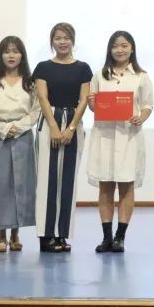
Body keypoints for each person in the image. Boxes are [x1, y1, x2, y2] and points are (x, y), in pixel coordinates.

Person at [87, 30, 153, 254]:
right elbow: (94, 106)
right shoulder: (99, 75)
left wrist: (141, 117)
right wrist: (92, 103)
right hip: (104, 136)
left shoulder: (141, 76)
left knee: (126, 186)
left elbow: (147, 105)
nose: (120, 50)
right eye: (115, 46)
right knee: (105, 187)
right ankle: (106, 237)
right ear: (110, 49)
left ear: (132, 48)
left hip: (128, 137)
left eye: (124, 45)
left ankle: (120, 237)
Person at [32, 22, 92, 253]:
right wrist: (54, 127)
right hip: (49, 123)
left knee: (68, 181)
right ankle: (45, 236)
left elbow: (84, 99)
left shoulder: (83, 68)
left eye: (66, 37)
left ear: (73, 40)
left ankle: (61, 234)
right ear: (52, 41)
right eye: (58, 38)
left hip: (73, 124)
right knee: (47, 180)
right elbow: (42, 98)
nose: (62, 42)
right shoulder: (43, 67)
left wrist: (72, 127)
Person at [0, 36, 40, 253]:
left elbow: (36, 110)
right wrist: (2, 128)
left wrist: (18, 127)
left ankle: (15, 234)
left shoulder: (30, 82)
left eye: (15, 51)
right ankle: (1, 236)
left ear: (22, 55)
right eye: (7, 51)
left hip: (22, 136)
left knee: (19, 184)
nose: (11, 55)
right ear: (0, 55)